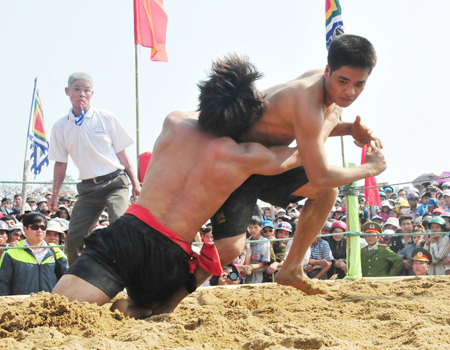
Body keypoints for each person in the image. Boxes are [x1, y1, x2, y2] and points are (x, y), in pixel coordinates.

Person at [52, 57, 306, 318]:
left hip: (128, 232)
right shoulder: (244, 155)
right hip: (167, 256)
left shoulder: (174, 121)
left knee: (59, 309)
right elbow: (299, 154)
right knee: (141, 308)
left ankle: (128, 305)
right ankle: (136, 308)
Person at [207, 35, 385, 295]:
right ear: (328, 71)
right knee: (228, 250)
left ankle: (291, 268)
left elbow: (309, 131)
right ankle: (177, 284)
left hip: (271, 163)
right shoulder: (307, 97)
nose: (350, 92)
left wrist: (347, 128)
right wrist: (371, 168)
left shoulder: (324, 93)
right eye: (343, 81)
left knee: (326, 192)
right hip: (240, 164)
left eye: (360, 84)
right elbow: (320, 171)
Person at [48, 72, 141, 265]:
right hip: (88, 189)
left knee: (119, 228)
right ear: (67, 92)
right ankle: (80, 280)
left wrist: (135, 183)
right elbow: (60, 163)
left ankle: (126, 276)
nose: (82, 94)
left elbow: (122, 154)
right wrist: (55, 194)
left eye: (86, 90)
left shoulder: (106, 118)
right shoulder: (60, 127)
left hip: (115, 183)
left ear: (92, 93)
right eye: (77, 89)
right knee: (73, 240)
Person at [0, 213, 67, 296]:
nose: (40, 230)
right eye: (35, 227)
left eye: (43, 228)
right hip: (20, 305)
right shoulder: (10, 254)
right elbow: (2, 284)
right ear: (25, 229)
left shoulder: (55, 251)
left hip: (49, 304)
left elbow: (66, 278)